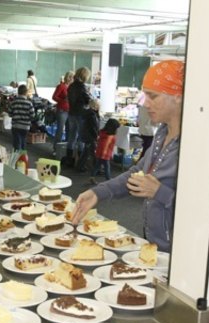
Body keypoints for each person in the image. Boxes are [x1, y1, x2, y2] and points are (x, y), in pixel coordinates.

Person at [71, 60, 185, 253]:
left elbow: (204, 212)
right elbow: (137, 173)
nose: (145, 103)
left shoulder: (195, 148)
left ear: (178, 97)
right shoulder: (162, 133)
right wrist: (98, 193)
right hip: (154, 244)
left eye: (153, 96)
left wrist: (159, 192)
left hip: (178, 252)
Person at [65, 66, 92, 166]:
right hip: (80, 114)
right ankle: (80, 162)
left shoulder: (71, 86)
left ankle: (69, 160)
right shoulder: (82, 87)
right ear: (85, 76)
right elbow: (87, 100)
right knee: (81, 138)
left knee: (71, 137)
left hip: (71, 113)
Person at [90, 118, 121, 183]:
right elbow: (106, 146)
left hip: (99, 152)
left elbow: (101, 144)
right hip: (105, 154)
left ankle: (92, 177)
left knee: (97, 165)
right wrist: (106, 155)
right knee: (107, 167)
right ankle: (108, 180)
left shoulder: (102, 132)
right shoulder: (111, 136)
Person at [51, 70, 74, 157]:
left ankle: (66, 149)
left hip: (70, 111)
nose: (71, 79)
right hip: (62, 110)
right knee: (60, 130)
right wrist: (63, 100)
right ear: (67, 77)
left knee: (69, 130)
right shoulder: (61, 86)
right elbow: (54, 97)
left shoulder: (72, 87)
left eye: (73, 77)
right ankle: (56, 149)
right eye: (70, 77)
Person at [76, 98, 100, 172]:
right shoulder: (92, 114)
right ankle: (96, 168)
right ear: (96, 105)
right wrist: (96, 136)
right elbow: (93, 127)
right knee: (92, 152)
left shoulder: (87, 113)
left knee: (87, 151)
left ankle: (81, 166)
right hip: (90, 136)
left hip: (86, 135)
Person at [8, 84, 34, 151]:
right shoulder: (29, 103)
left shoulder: (13, 102)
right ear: (26, 92)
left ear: (18, 92)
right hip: (25, 127)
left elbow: (10, 114)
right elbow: (32, 115)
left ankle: (16, 156)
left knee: (16, 144)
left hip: (16, 126)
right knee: (23, 142)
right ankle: (23, 156)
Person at [137, 92, 157, 157]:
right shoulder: (152, 108)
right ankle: (142, 162)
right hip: (150, 131)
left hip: (143, 131)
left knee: (145, 149)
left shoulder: (141, 107)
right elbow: (155, 122)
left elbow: (139, 119)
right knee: (147, 151)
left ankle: (141, 161)